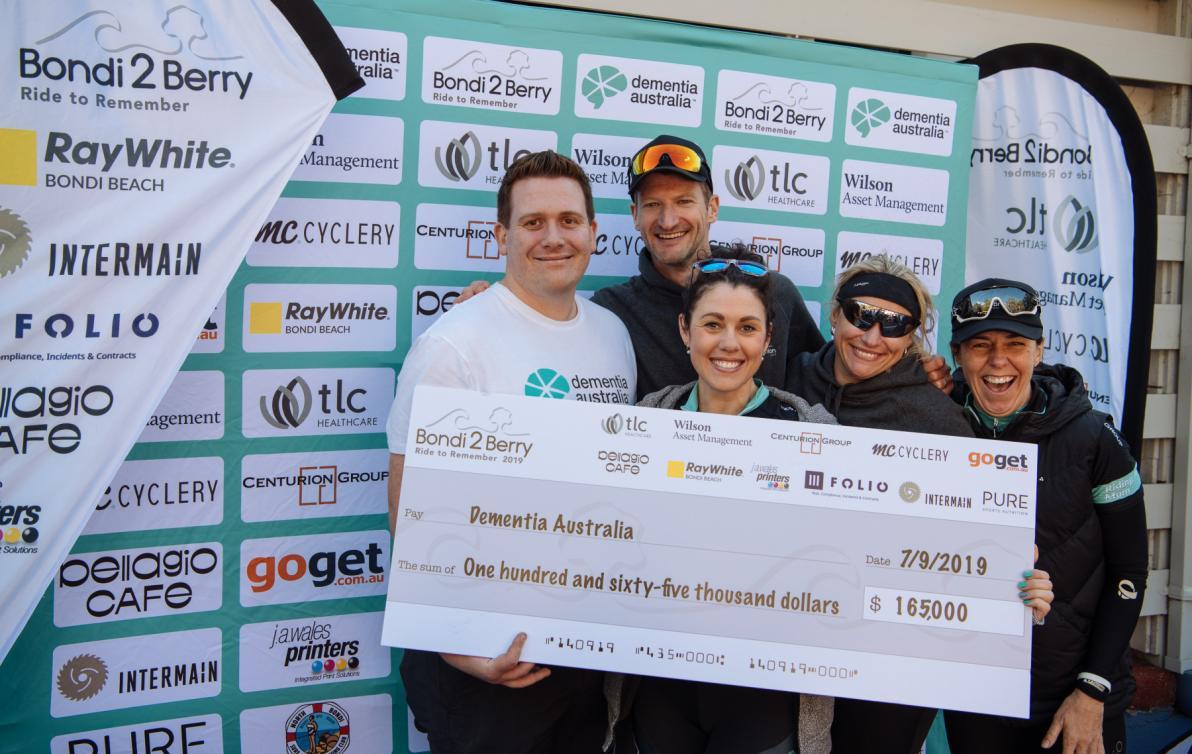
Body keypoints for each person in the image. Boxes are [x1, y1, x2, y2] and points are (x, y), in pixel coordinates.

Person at [385, 150, 636, 754]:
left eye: (569, 220)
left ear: (594, 232)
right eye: (533, 222)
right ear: (501, 236)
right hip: (488, 661)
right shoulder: (455, 344)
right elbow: (408, 506)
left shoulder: (613, 332)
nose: (554, 237)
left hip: (580, 649)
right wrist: (456, 643)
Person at [783, 256, 1052, 754]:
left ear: (913, 336)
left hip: (894, 660)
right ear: (835, 315)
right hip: (792, 634)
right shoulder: (785, 380)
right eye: (861, 314)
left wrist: (1012, 583)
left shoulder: (939, 418)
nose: (872, 335)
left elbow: (975, 544)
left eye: (893, 324)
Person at [611, 244, 836, 754]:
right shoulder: (642, 423)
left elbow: (872, 555)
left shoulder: (815, 433)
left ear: (769, 338)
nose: (729, 344)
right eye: (712, 324)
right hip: (661, 688)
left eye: (747, 327)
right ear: (686, 331)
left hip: (765, 698)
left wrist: (1000, 579)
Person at [943, 279, 1147, 754]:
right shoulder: (937, 427)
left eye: (1016, 345)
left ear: (1039, 352)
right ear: (957, 355)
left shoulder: (1095, 439)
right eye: (980, 346)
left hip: (1072, 696)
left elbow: (1129, 572)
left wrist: (1093, 690)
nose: (998, 361)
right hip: (975, 692)